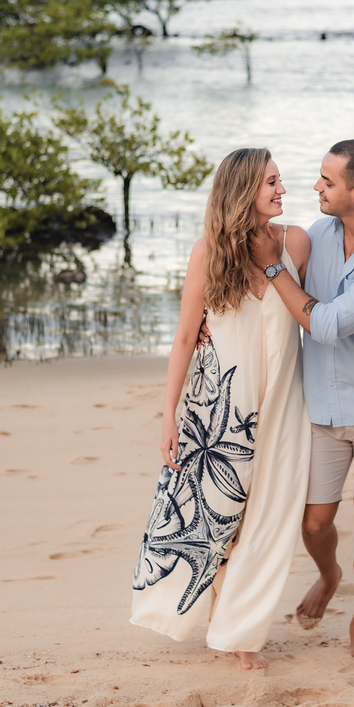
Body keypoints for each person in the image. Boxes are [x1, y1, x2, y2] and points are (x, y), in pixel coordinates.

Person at [130, 147, 312, 670]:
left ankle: (242, 632)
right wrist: (168, 415)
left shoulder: (295, 242)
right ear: (243, 190)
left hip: (282, 403)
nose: (282, 190)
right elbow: (186, 337)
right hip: (217, 407)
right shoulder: (209, 252)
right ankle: (209, 607)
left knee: (270, 516)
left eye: (281, 181)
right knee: (213, 516)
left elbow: (327, 314)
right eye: (271, 183)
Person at [251, 138, 354, 662]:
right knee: (315, 523)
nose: (315, 187)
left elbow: (324, 323)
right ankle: (329, 574)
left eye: (327, 181)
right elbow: (246, 247)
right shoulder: (314, 237)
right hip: (320, 406)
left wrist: (275, 269)